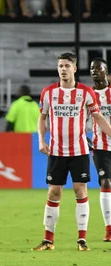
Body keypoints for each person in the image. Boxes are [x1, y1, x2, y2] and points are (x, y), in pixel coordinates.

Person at [33, 52, 111, 251]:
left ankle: (82, 240)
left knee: (80, 190)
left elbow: (99, 117)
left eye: (67, 66)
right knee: (54, 192)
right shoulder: (48, 92)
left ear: (74, 69)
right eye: (60, 66)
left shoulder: (86, 92)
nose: (63, 69)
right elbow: (42, 118)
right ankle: (48, 240)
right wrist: (41, 140)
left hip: (79, 151)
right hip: (57, 151)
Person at [89, 58, 111, 241]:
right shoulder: (87, 95)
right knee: (106, 183)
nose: (94, 71)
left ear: (106, 71)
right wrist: (84, 138)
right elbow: (79, 119)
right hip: (100, 147)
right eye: (91, 68)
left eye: (98, 68)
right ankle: (109, 230)